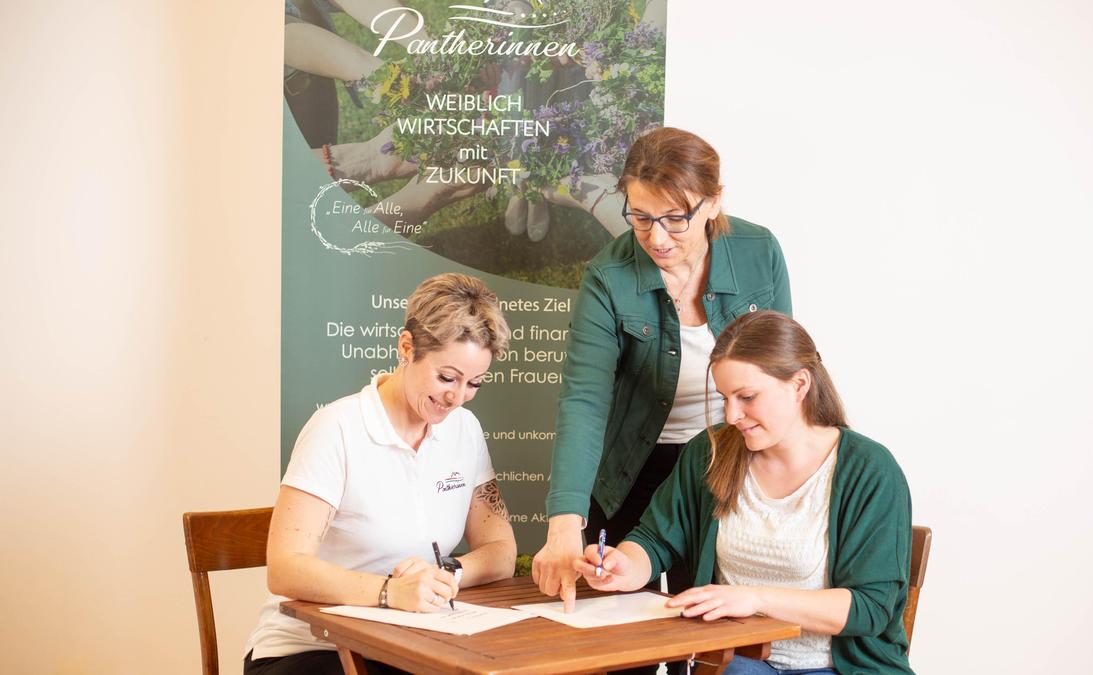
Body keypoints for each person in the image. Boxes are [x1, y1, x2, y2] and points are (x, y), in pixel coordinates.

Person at [533, 127, 793, 617]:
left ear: (714, 202)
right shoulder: (607, 277)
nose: (657, 237)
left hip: (730, 464)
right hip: (631, 473)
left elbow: (781, 374)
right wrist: (565, 523)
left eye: (676, 219)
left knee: (713, 631)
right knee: (623, 633)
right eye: (640, 217)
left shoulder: (760, 253)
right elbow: (585, 400)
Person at [573, 311, 914, 675]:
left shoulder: (869, 470)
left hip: (839, 668)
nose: (733, 415)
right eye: (725, 398)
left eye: (747, 397)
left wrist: (755, 598)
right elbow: (656, 539)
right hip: (740, 663)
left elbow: (871, 608)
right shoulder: (710, 452)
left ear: (800, 385)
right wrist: (625, 565)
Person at [244, 273, 517, 675]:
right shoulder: (336, 428)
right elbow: (285, 567)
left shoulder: (465, 430)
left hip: (408, 643)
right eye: (446, 377)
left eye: (474, 383)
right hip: (307, 649)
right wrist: (390, 592)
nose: (456, 398)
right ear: (407, 346)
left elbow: (501, 551)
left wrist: (447, 575)